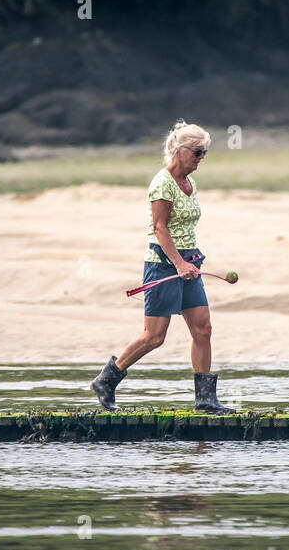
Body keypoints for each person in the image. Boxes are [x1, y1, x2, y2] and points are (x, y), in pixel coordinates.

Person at [90, 119, 233, 413]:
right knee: (155, 337)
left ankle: (205, 399)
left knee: (203, 329)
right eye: (198, 152)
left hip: (190, 263)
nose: (201, 158)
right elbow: (159, 229)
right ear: (179, 151)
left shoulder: (189, 183)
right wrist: (178, 264)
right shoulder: (162, 183)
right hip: (164, 266)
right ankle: (106, 380)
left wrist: (187, 262)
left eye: (205, 153)